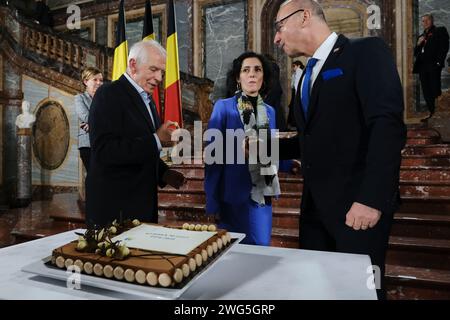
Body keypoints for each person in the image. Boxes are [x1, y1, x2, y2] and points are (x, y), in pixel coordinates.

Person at [273, 0, 406, 299]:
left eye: (279, 27)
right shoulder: (307, 74)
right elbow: (313, 138)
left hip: (357, 211)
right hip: (314, 214)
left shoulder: (365, 52)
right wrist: (261, 148)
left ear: (304, 16)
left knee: (360, 294)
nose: (276, 38)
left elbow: (386, 126)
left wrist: (372, 199)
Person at [86, 40, 185, 227]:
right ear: (133, 65)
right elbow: (105, 150)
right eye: (154, 69)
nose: (159, 78)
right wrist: (157, 139)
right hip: (115, 210)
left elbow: (139, 148)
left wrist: (164, 173)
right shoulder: (108, 94)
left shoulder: (149, 101)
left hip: (141, 207)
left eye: (162, 73)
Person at [205, 51, 280, 246]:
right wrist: (212, 202)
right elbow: (213, 159)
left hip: (262, 195)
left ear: (264, 77)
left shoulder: (270, 111)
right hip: (233, 197)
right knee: (234, 256)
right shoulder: (224, 107)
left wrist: (290, 162)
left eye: (257, 69)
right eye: (246, 70)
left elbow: (272, 148)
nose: (252, 74)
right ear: (238, 78)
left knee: (262, 251)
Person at [413, 14, 449, 119]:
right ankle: (431, 112)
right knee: (426, 90)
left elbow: (444, 47)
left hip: (433, 66)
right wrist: (418, 44)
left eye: (427, 20)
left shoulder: (439, 31)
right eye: (423, 21)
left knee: (434, 89)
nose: (425, 23)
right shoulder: (421, 36)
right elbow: (416, 53)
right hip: (422, 67)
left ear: (432, 21)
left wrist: (438, 62)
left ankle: (439, 113)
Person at [74, 67, 103, 173]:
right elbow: (85, 116)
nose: (99, 83)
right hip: (88, 145)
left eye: (101, 80)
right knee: (94, 176)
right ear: (86, 81)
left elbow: (111, 119)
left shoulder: (105, 100)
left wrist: (92, 125)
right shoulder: (79, 98)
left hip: (104, 144)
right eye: (95, 79)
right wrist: (102, 123)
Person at [263, 54, 287, 131]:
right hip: (277, 89)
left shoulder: (267, 66)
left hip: (271, 89)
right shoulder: (275, 65)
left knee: (268, 108)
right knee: (277, 108)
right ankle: (281, 127)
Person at [287, 60, 305, 129]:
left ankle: (294, 123)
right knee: (292, 106)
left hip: (297, 91)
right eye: (293, 66)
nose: (293, 68)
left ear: (298, 66)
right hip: (294, 91)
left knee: (294, 106)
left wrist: (297, 93)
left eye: (294, 66)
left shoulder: (299, 71)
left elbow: (297, 83)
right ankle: (292, 123)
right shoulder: (295, 72)